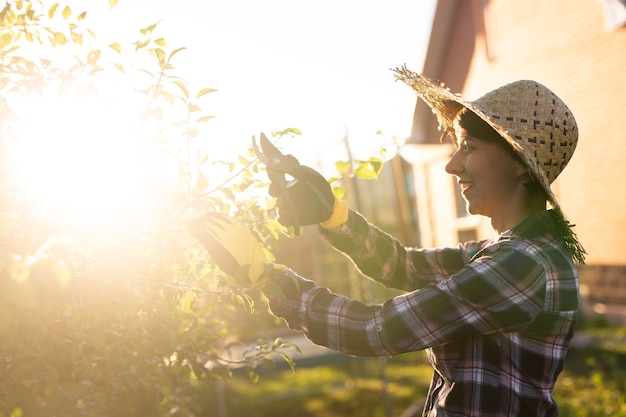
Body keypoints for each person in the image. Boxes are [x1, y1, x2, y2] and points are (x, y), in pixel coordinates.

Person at [189, 66, 585, 417]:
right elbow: (402, 265)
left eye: (471, 147)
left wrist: (265, 274)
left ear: (518, 163)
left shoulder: (522, 267)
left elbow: (375, 329)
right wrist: (334, 215)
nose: (452, 164)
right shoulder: (502, 253)